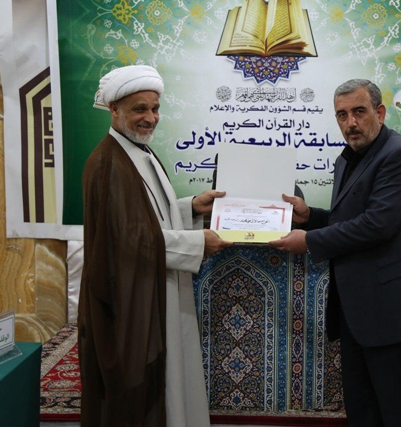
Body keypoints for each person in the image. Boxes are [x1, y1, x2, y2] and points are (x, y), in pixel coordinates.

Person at [269, 79, 401, 426]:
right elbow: (348, 219)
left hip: (392, 307)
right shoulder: (348, 158)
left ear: (380, 112)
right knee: (363, 409)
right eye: (342, 115)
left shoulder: (399, 155)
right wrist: (309, 216)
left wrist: (309, 241)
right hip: (357, 307)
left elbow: (377, 225)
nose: (351, 123)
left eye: (359, 112)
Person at [78, 64, 233, 427]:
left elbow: (147, 215)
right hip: (130, 301)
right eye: (139, 109)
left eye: (155, 108)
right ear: (114, 109)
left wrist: (190, 206)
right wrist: (199, 241)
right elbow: (127, 239)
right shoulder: (108, 163)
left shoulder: (137, 151)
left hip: (155, 287)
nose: (150, 118)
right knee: (140, 394)